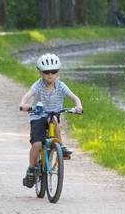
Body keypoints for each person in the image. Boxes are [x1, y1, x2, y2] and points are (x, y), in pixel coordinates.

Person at [19, 53, 83, 188]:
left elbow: (74, 97)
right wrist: (24, 104)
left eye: (53, 72)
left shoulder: (61, 85)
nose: (50, 75)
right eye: (46, 72)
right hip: (38, 116)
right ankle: (31, 168)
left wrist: (78, 106)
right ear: (40, 73)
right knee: (36, 145)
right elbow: (27, 96)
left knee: (54, 118)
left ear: (57, 72)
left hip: (53, 114)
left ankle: (60, 146)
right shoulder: (38, 85)